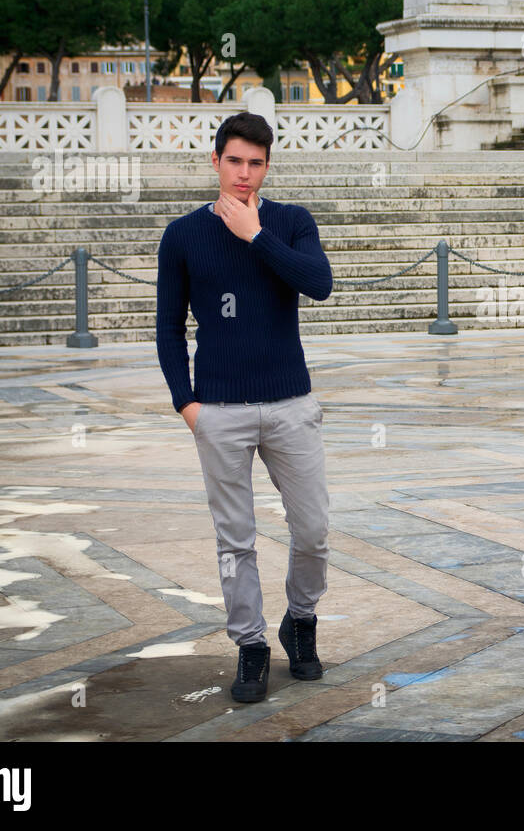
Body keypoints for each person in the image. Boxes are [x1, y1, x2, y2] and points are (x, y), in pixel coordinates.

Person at [155, 111, 334, 703]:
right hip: (221, 411)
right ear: (215, 161)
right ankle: (251, 645)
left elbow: (319, 283)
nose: (244, 174)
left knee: (313, 531)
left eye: (256, 163)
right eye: (234, 161)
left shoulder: (290, 221)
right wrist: (187, 404)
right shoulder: (182, 235)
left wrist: (256, 234)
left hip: (291, 403)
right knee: (236, 541)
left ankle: (300, 622)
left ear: (267, 166)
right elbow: (167, 326)